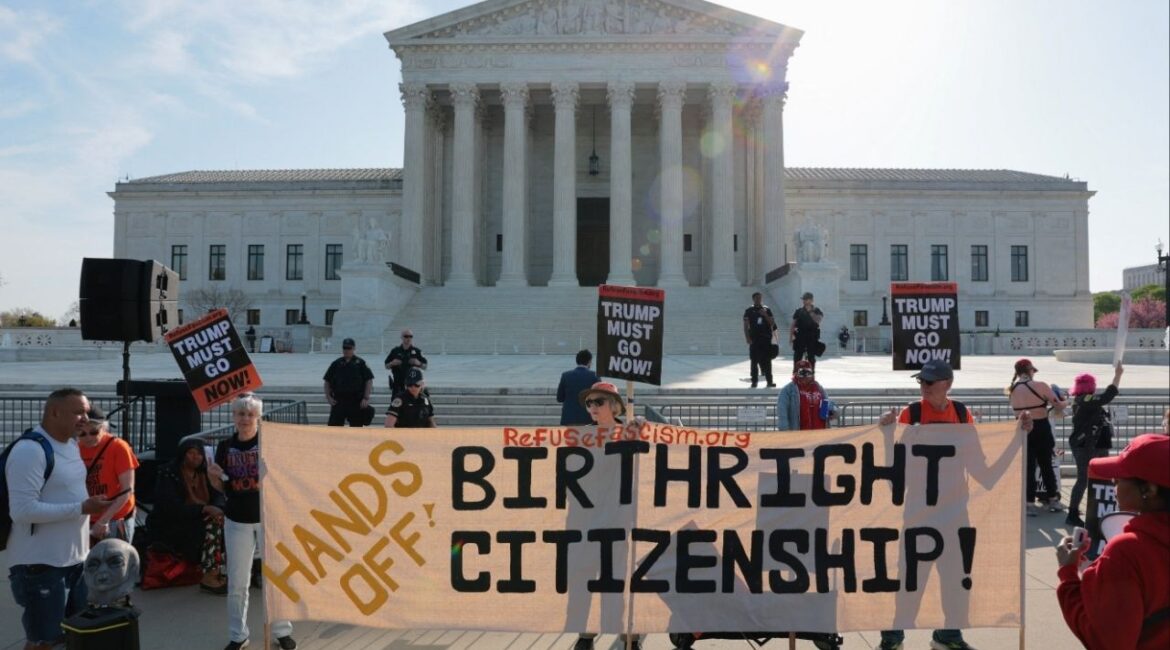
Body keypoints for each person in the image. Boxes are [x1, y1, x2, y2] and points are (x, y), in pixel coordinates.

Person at [875, 360, 992, 650]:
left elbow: (979, 466)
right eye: (921, 382)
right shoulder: (911, 414)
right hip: (919, 510)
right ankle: (892, 637)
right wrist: (887, 435)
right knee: (909, 577)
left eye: (929, 382)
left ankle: (949, 635)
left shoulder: (963, 414)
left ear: (947, 384)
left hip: (955, 511)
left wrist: (1020, 435)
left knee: (956, 576)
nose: (923, 387)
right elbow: (895, 469)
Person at [5, 388, 110, 650]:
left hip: (75, 560)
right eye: (78, 412)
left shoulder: (71, 445)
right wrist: (81, 508)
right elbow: (22, 510)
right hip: (40, 566)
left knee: (75, 636)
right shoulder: (29, 451)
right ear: (54, 412)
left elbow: (65, 494)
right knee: (44, 641)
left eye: (86, 412)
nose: (85, 418)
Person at [1056, 434, 1170, 649]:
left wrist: (1068, 574)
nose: (1113, 482)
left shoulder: (1128, 552)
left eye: (1119, 478)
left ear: (1149, 490)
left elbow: (1105, 641)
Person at [207, 394, 296, 650]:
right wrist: (213, 476)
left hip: (268, 518)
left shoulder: (268, 443)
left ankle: (282, 631)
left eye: (249, 414)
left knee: (277, 577)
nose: (245, 419)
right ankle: (238, 635)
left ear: (258, 417)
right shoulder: (225, 447)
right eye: (240, 414)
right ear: (234, 417)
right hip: (237, 519)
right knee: (237, 580)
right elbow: (222, 486)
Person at [572, 382, 641, 650]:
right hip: (588, 519)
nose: (592, 407)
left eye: (598, 402)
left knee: (620, 579)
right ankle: (587, 635)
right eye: (589, 403)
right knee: (588, 577)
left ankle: (628, 637)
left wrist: (641, 432)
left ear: (614, 405)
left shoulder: (632, 430)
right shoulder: (581, 436)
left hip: (620, 517)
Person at [148, 437, 227, 594]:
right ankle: (209, 576)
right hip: (175, 522)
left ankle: (219, 571)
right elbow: (170, 507)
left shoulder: (206, 472)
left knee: (226, 522)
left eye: (199, 454)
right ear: (183, 454)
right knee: (213, 526)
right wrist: (204, 509)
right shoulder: (169, 473)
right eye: (191, 453)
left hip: (200, 517)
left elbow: (217, 494)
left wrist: (216, 507)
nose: (196, 457)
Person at [1065, 363, 1124, 527]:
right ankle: (1072, 513)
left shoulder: (1085, 401)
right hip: (1085, 445)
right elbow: (1106, 397)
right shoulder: (1084, 399)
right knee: (1083, 479)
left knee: (1102, 477)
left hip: (1097, 444)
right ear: (1089, 386)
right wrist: (1118, 375)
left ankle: (1098, 510)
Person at [1008, 358, 1067, 516]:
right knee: (1046, 465)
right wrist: (1066, 401)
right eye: (1033, 370)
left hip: (1022, 429)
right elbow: (1058, 405)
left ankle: (1028, 504)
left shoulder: (1011, 389)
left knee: (1028, 468)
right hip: (1041, 427)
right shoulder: (1040, 385)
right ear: (1029, 370)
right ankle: (1053, 500)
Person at [78, 407, 139, 545]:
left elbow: (127, 490)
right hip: (86, 516)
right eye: (82, 434)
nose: (88, 438)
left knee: (115, 562)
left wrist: (103, 520)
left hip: (115, 517)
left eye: (94, 432)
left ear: (103, 428)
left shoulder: (118, 447)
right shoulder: (75, 448)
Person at [324, 337, 374, 427]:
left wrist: (366, 398)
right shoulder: (336, 363)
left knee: (356, 429)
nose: (346, 350)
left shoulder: (360, 363)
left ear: (354, 348)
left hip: (355, 401)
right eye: (345, 348)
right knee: (333, 429)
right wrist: (328, 397)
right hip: (339, 401)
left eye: (349, 348)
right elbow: (327, 381)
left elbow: (369, 380)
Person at [776, 360, 835, 431]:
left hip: (820, 433)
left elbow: (829, 405)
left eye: (808, 372)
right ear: (795, 374)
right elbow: (782, 413)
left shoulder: (818, 387)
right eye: (802, 373)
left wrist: (832, 411)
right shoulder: (788, 390)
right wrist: (785, 431)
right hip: (799, 434)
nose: (805, 376)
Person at [742, 291, 778, 388]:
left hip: (766, 339)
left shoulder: (767, 309)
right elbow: (745, 326)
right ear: (753, 299)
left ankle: (769, 381)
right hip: (754, 339)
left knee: (767, 361)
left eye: (760, 298)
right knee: (754, 361)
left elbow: (772, 323)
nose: (759, 300)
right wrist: (747, 338)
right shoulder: (749, 310)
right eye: (757, 298)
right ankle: (754, 381)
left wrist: (765, 315)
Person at [556, 349, 601, 425]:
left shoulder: (566, 375)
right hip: (588, 419)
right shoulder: (594, 376)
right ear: (589, 362)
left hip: (569, 419)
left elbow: (559, 398)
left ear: (577, 361)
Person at [383, 329, 428, 394]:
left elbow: (425, 366)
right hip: (398, 385)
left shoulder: (417, 351)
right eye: (406, 336)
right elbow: (386, 366)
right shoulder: (395, 351)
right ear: (401, 337)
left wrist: (419, 363)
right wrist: (392, 363)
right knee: (396, 403)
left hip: (412, 386)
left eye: (410, 336)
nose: (408, 338)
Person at [790, 291, 824, 371]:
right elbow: (793, 324)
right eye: (803, 299)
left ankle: (811, 374)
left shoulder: (817, 310)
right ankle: (795, 374)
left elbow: (818, 320)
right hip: (800, 336)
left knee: (811, 357)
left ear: (811, 300)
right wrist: (791, 337)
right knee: (797, 357)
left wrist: (810, 312)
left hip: (812, 336)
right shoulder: (799, 310)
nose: (804, 301)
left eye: (806, 299)